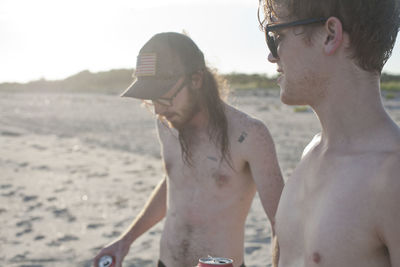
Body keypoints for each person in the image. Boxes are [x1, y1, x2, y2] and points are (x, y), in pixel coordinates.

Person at [93, 32, 284, 267]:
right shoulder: (167, 122)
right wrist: (125, 241)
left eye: (164, 96)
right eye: (152, 100)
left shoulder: (249, 135)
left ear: (196, 80)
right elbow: (175, 183)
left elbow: (282, 225)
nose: (158, 110)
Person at [258, 0, 400, 266]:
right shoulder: (311, 152)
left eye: (277, 36)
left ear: (330, 35)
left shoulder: (393, 177)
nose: (271, 56)